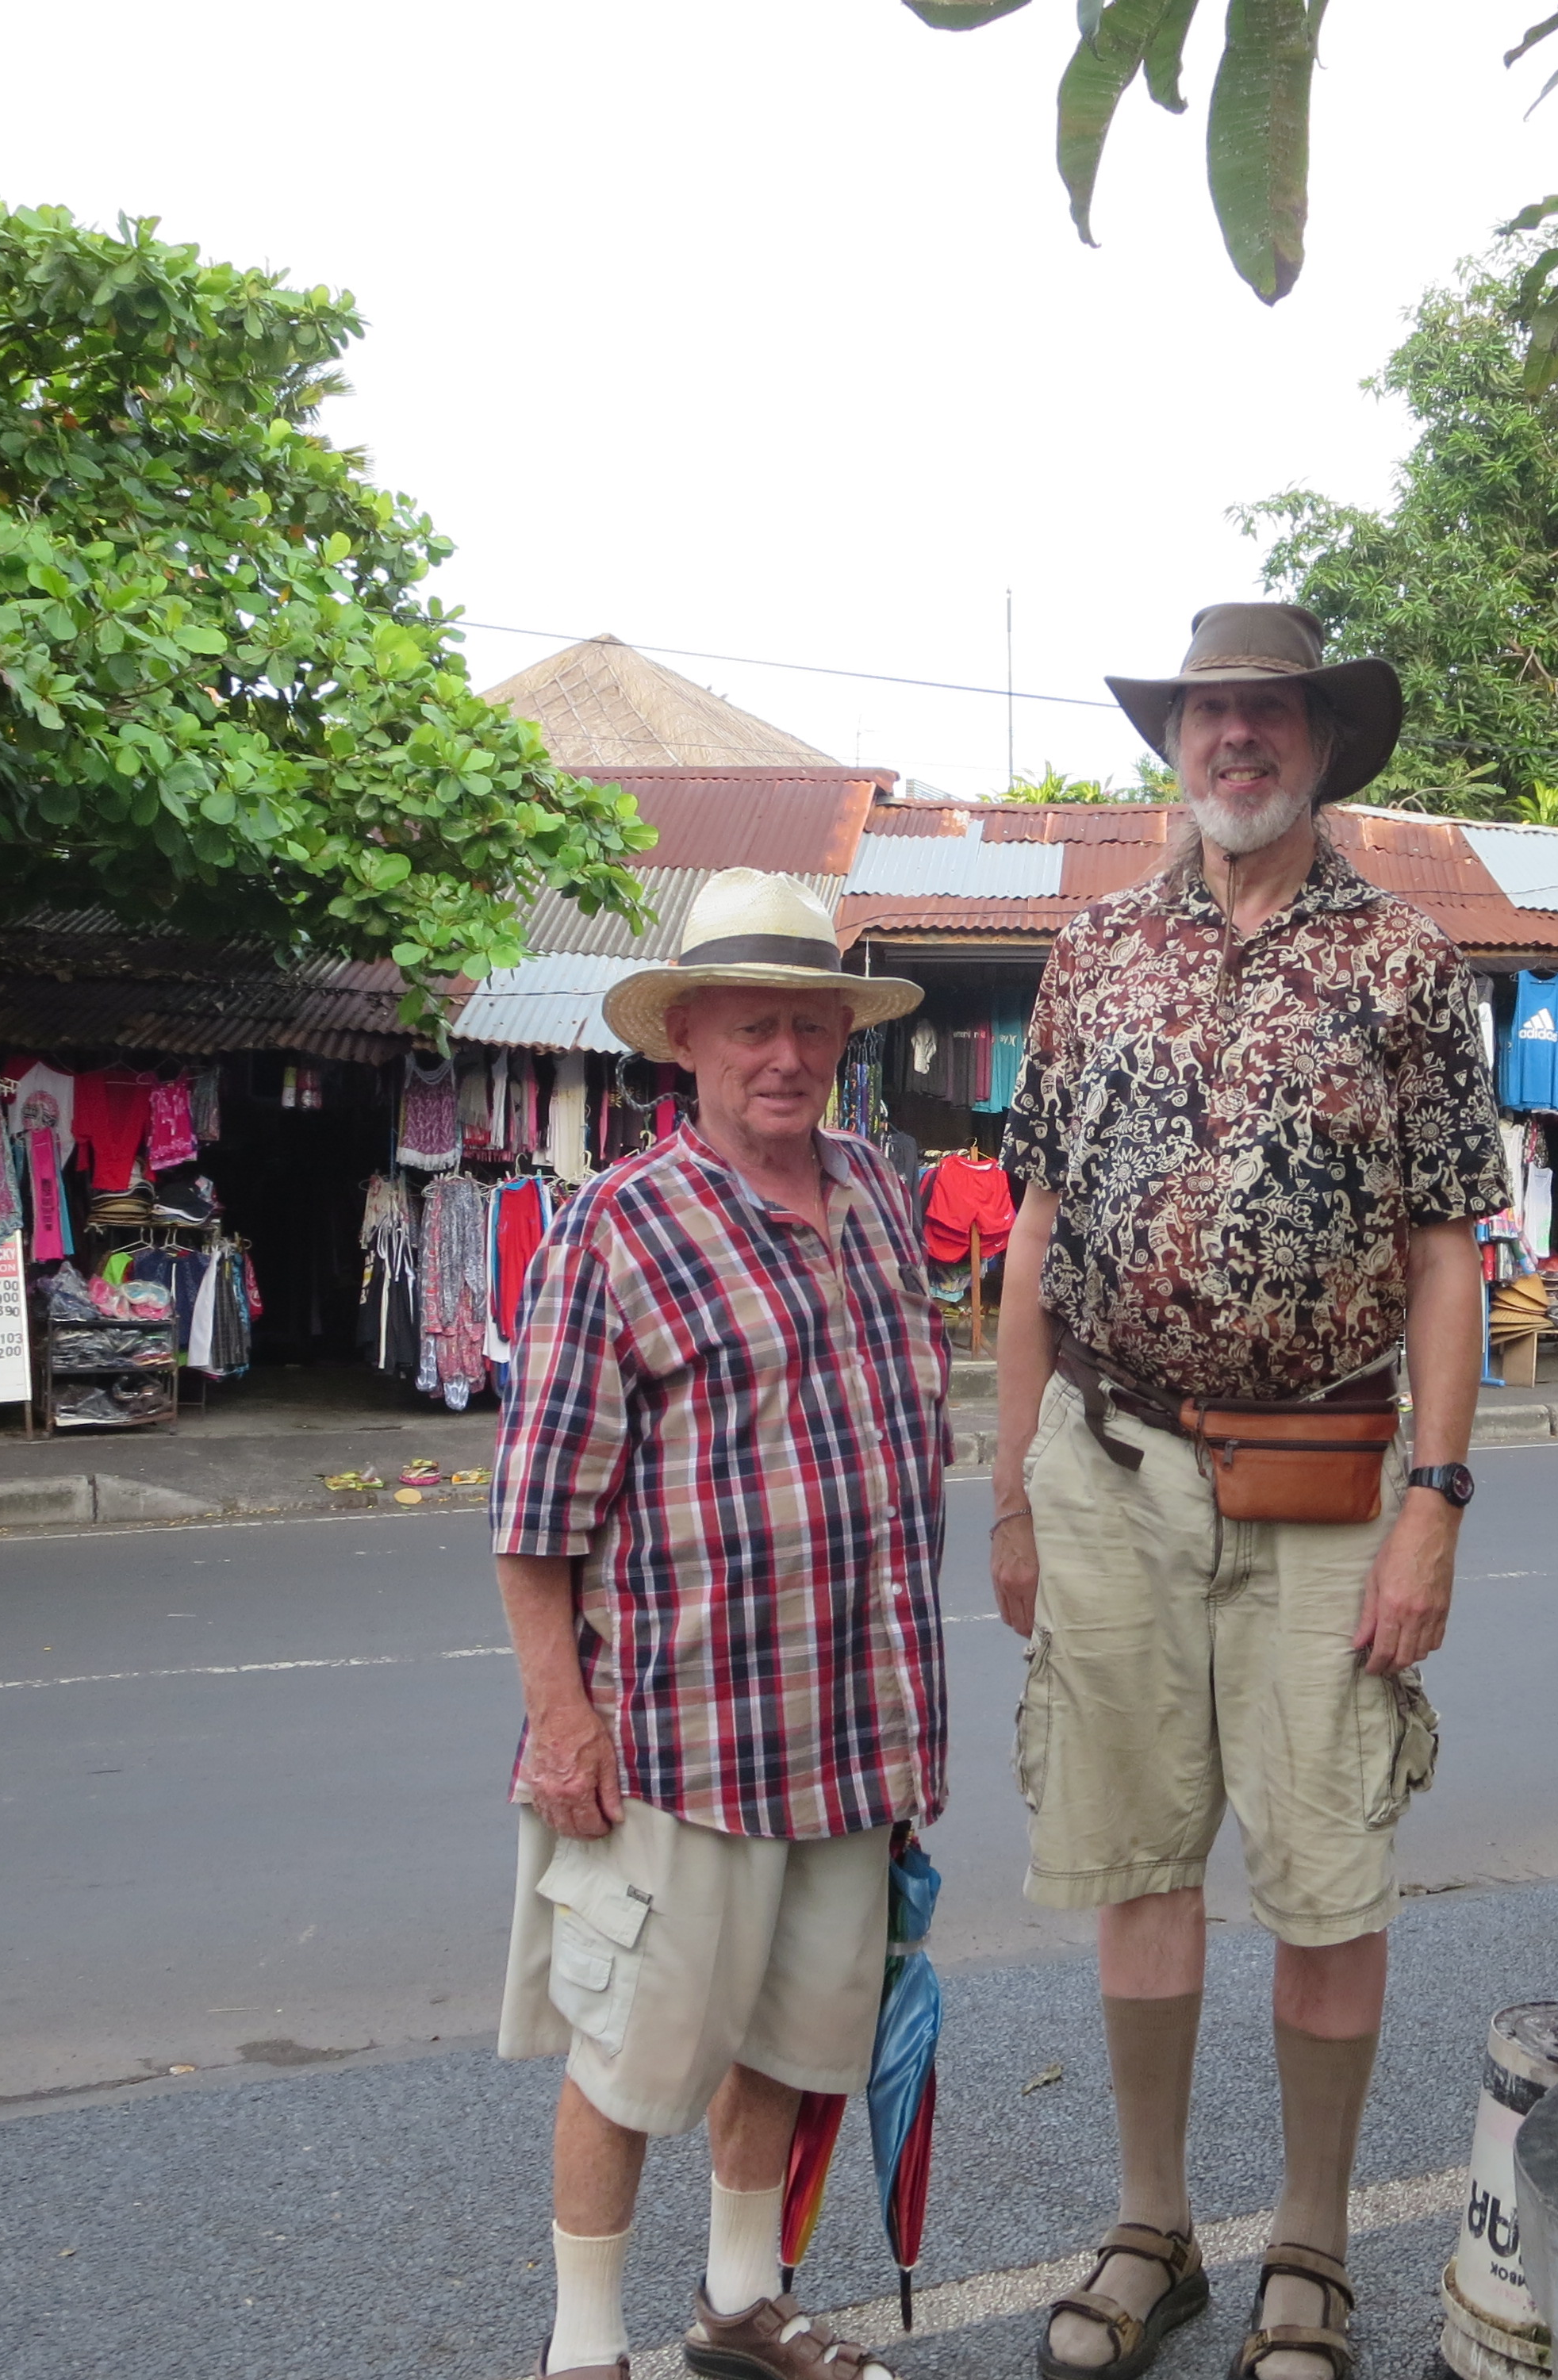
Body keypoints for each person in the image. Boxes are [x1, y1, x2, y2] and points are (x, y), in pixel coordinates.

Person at [992, 603, 1511, 2380]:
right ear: (1175, 739)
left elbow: (1445, 1256)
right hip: (1108, 1466)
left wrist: (1435, 1502)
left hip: (1329, 1480)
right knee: (1138, 1866)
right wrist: (1012, 1492)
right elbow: (1035, 1231)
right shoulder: (1089, 954)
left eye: (1268, 712)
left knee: (1326, 1877)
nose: (1235, 738)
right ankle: (1152, 2225)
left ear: (1321, 742)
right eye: (1208, 710)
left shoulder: (1407, 965)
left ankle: (1310, 2242)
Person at [491, 868, 945, 2380]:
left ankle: (741, 2303)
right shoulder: (615, 1229)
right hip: (681, 1744)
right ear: (685, 1038)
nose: (785, 1057)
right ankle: (583, 2349)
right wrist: (562, 1723)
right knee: (630, 2060)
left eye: (810, 1026)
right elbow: (535, 1517)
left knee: (796, 2040)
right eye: (752, 1027)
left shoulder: (876, 1193)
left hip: (851, 1734)